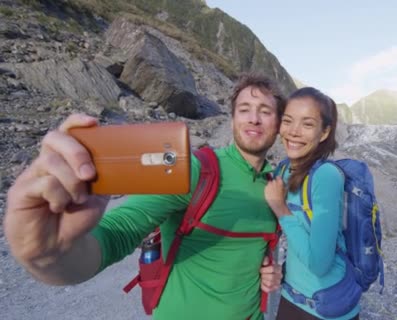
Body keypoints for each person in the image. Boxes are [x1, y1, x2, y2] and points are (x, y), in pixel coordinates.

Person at [4, 74, 286, 319]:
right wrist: (45, 254)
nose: (253, 118)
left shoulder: (276, 184)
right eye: (244, 109)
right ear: (233, 118)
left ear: (279, 123)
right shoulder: (198, 171)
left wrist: (267, 272)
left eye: (265, 111)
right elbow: (119, 231)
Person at [264, 87, 361, 320]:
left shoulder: (326, 176)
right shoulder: (284, 169)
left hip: (327, 307)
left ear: (324, 132)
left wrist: (281, 209)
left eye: (307, 124)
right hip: (291, 295)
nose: (294, 132)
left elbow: (319, 264)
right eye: (288, 121)